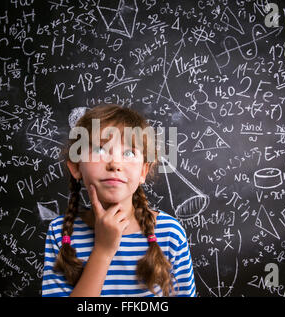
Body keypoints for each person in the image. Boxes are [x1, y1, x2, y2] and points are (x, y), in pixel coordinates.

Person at [42, 104, 196, 297]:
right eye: (99, 149)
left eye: (129, 153)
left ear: (143, 171)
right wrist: (103, 250)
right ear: (76, 167)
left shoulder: (169, 234)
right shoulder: (61, 232)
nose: (115, 163)